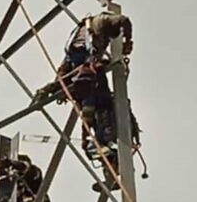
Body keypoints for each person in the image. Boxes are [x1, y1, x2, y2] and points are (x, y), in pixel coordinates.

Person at [33, 11, 133, 159]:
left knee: (82, 96)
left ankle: (46, 90)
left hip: (74, 58)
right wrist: (128, 41)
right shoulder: (103, 20)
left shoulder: (80, 30)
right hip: (85, 58)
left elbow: (65, 65)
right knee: (100, 99)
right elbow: (124, 20)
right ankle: (100, 140)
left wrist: (57, 83)